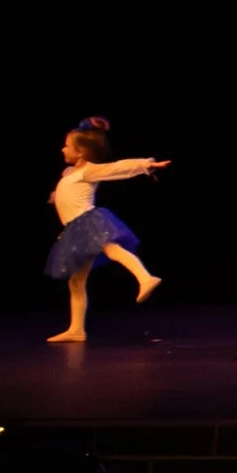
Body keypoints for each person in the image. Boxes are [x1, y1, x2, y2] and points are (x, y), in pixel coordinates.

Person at [44, 117, 167, 342]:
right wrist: (56, 197)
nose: (63, 149)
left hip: (87, 221)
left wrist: (145, 165)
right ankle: (76, 330)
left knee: (111, 249)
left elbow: (116, 168)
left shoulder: (89, 171)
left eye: (67, 146)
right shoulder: (69, 173)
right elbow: (65, 192)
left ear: (80, 152)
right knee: (76, 281)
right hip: (74, 229)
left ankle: (145, 277)